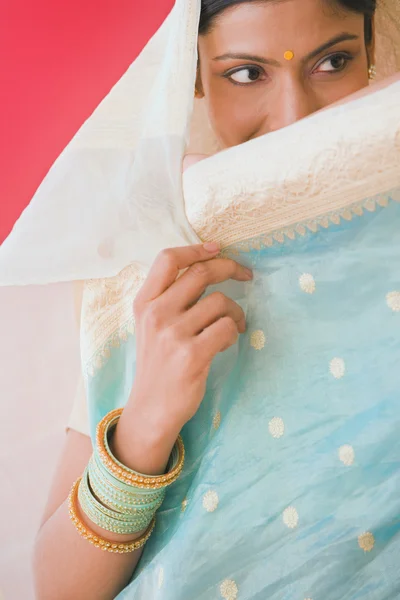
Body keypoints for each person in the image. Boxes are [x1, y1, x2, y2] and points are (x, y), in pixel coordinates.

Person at [0, 0, 399, 598]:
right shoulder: (150, 261)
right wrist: (143, 426)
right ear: (191, 75)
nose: (293, 118)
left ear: (373, 53)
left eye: (332, 61)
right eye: (246, 73)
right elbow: (60, 590)